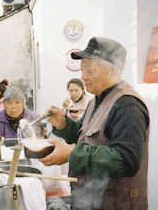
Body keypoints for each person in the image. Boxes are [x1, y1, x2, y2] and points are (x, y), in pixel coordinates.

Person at [41, 37, 150, 210]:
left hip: (115, 204)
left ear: (112, 71)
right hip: (89, 200)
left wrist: (72, 154)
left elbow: (126, 160)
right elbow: (84, 135)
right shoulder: (96, 100)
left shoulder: (127, 105)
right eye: (82, 70)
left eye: (89, 70)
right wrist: (64, 125)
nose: (83, 77)